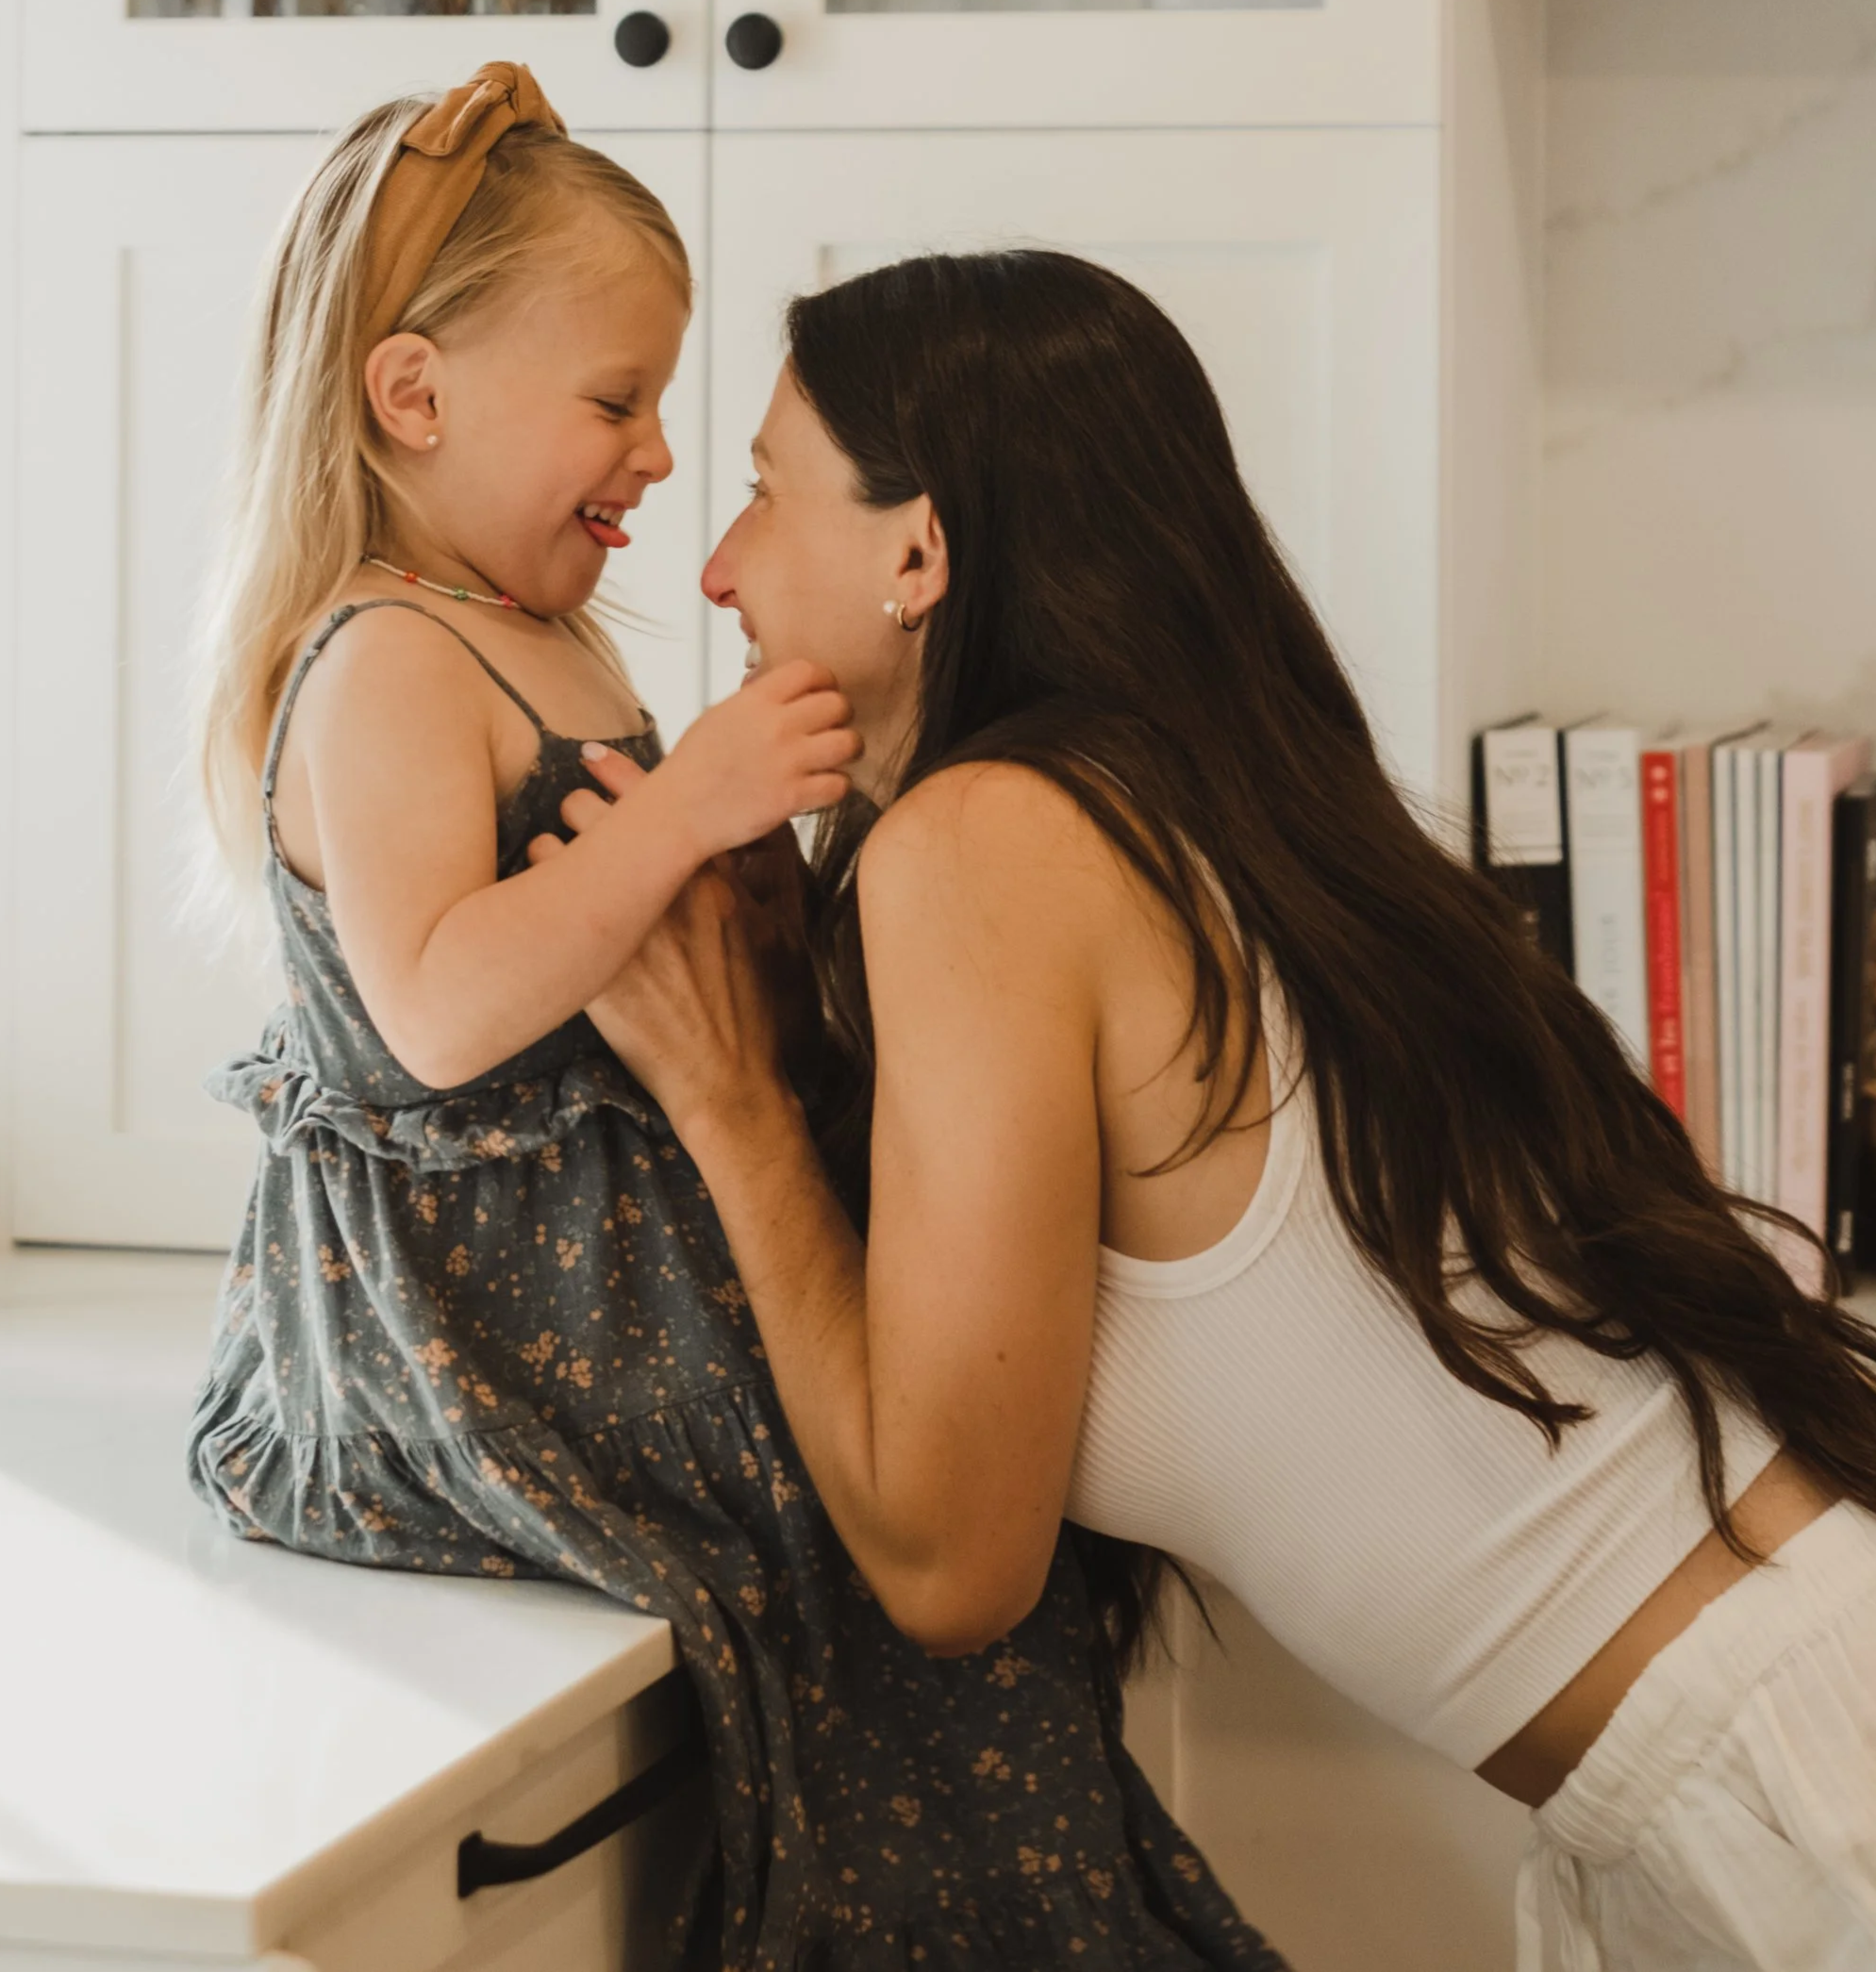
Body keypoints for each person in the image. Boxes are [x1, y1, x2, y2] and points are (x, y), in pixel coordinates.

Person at [559, 247, 1876, 1972]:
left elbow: (950, 1569)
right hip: (1745, 1752)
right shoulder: (1168, 794)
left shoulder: (985, 840)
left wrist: (731, 1104)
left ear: (919, 551)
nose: (717, 566)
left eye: (760, 490)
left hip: (1797, 1783)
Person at [186, 74, 1288, 1972]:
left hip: (620, 1293)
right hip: (465, 1341)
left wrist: (755, 909)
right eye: (617, 401)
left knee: (927, 1559)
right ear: (414, 395)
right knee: (841, 1569)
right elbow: (438, 1011)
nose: (659, 459)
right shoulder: (382, 659)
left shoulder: (542, 633)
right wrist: (685, 806)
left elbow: (640, 988)